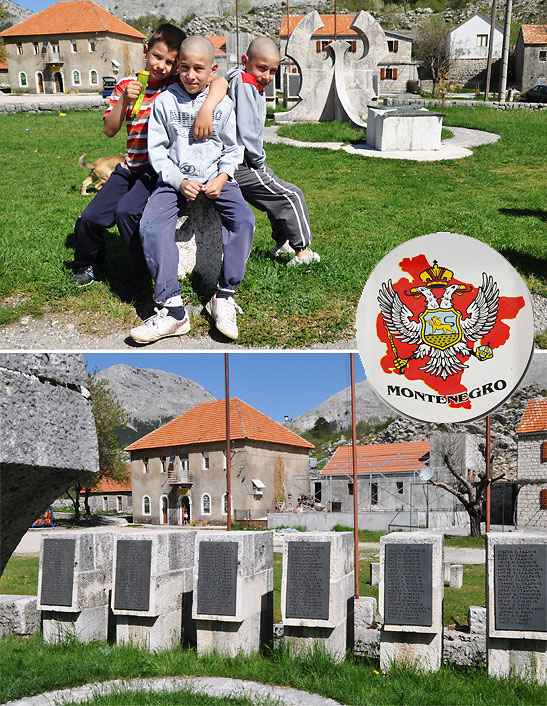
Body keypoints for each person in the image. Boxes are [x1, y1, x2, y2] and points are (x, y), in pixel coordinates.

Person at [70, 23, 228, 301]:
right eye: (157, 57)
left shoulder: (175, 84)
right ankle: (89, 264)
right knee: (91, 217)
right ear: (146, 51)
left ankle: (139, 272)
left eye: (170, 62)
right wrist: (123, 102)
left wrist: (206, 108)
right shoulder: (125, 86)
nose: (162, 66)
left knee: (126, 213)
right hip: (130, 166)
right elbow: (109, 130)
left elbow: (219, 81)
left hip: (156, 171)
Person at [129, 36, 255, 343]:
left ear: (212, 70)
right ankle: (172, 309)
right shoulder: (165, 102)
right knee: (151, 227)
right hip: (174, 182)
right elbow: (157, 152)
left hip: (215, 179)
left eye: (199, 68)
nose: (190, 75)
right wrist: (177, 180)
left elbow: (232, 149)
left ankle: (223, 296)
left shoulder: (222, 105)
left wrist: (223, 177)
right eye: (184, 67)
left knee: (244, 220)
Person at [227, 37, 320, 266]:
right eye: (262, 68)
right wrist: (259, 161)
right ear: (245, 61)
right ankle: (303, 252)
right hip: (243, 162)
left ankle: (282, 245)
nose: (266, 76)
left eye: (272, 71)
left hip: (241, 160)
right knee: (291, 195)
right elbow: (248, 132)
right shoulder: (246, 83)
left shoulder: (244, 81)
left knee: (275, 195)